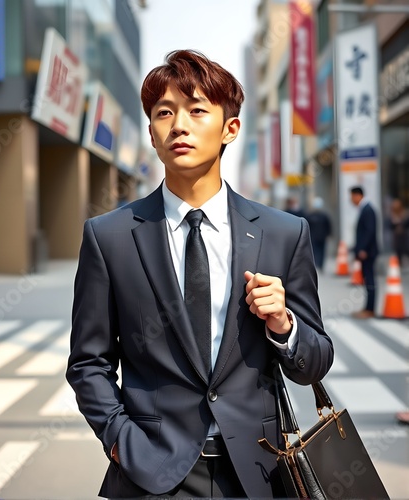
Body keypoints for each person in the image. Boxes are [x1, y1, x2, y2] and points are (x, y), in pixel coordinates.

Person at [66, 49, 333, 499]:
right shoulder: (109, 237)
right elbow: (88, 362)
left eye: (196, 110)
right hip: (149, 475)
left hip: (259, 473)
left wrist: (284, 328)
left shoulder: (283, 233)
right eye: (164, 113)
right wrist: (119, 441)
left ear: (230, 128)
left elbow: (316, 363)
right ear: (151, 132)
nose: (179, 125)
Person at [350, 186, 379, 318]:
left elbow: (369, 231)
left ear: (358, 195)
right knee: (367, 279)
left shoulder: (368, 210)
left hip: (368, 252)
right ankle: (368, 307)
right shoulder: (365, 209)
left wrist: (362, 249)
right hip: (366, 251)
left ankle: (370, 309)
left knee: (370, 279)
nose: (351, 200)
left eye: (352, 196)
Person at [305, 197, 332, 272]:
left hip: (322, 237)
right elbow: (307, 226)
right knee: (314, 251)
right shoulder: (310, 216)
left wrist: (329, 235)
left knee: (322, 252)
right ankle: (316, 264)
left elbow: (328, 226)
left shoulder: (324, 216)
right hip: (313, 237)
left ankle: (320, 265)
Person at [388, 198, 409, 268]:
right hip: (397, 237)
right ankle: (400, 265)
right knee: (398, 252)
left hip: (404, 237)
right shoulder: (392, 215)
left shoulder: (405, 214)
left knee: (406, 250)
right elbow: (390, 226)